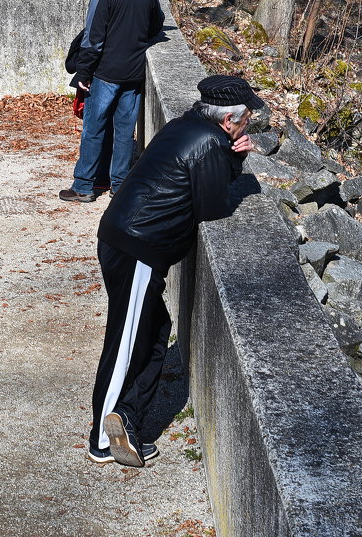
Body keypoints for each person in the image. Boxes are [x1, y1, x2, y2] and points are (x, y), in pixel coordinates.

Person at [87, 75, 261, 467]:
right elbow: (214, 207)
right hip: (137, 248)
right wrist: (234, 158)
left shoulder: (187, 124)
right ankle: (101, 437)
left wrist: (230, 156)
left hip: (125, 238)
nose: (250, 122)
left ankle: (126, 418)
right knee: (127, 340)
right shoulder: (210, 144)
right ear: (229, 120)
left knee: (153, 333)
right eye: (247, 115)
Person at [59, 0, 164, 203]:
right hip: (133, 72)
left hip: (105, 72)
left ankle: (83, 185)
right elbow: (156, 25)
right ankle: (119, 185)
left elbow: (93, 36)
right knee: (124, 131)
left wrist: (83, 72)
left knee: (94, 128)